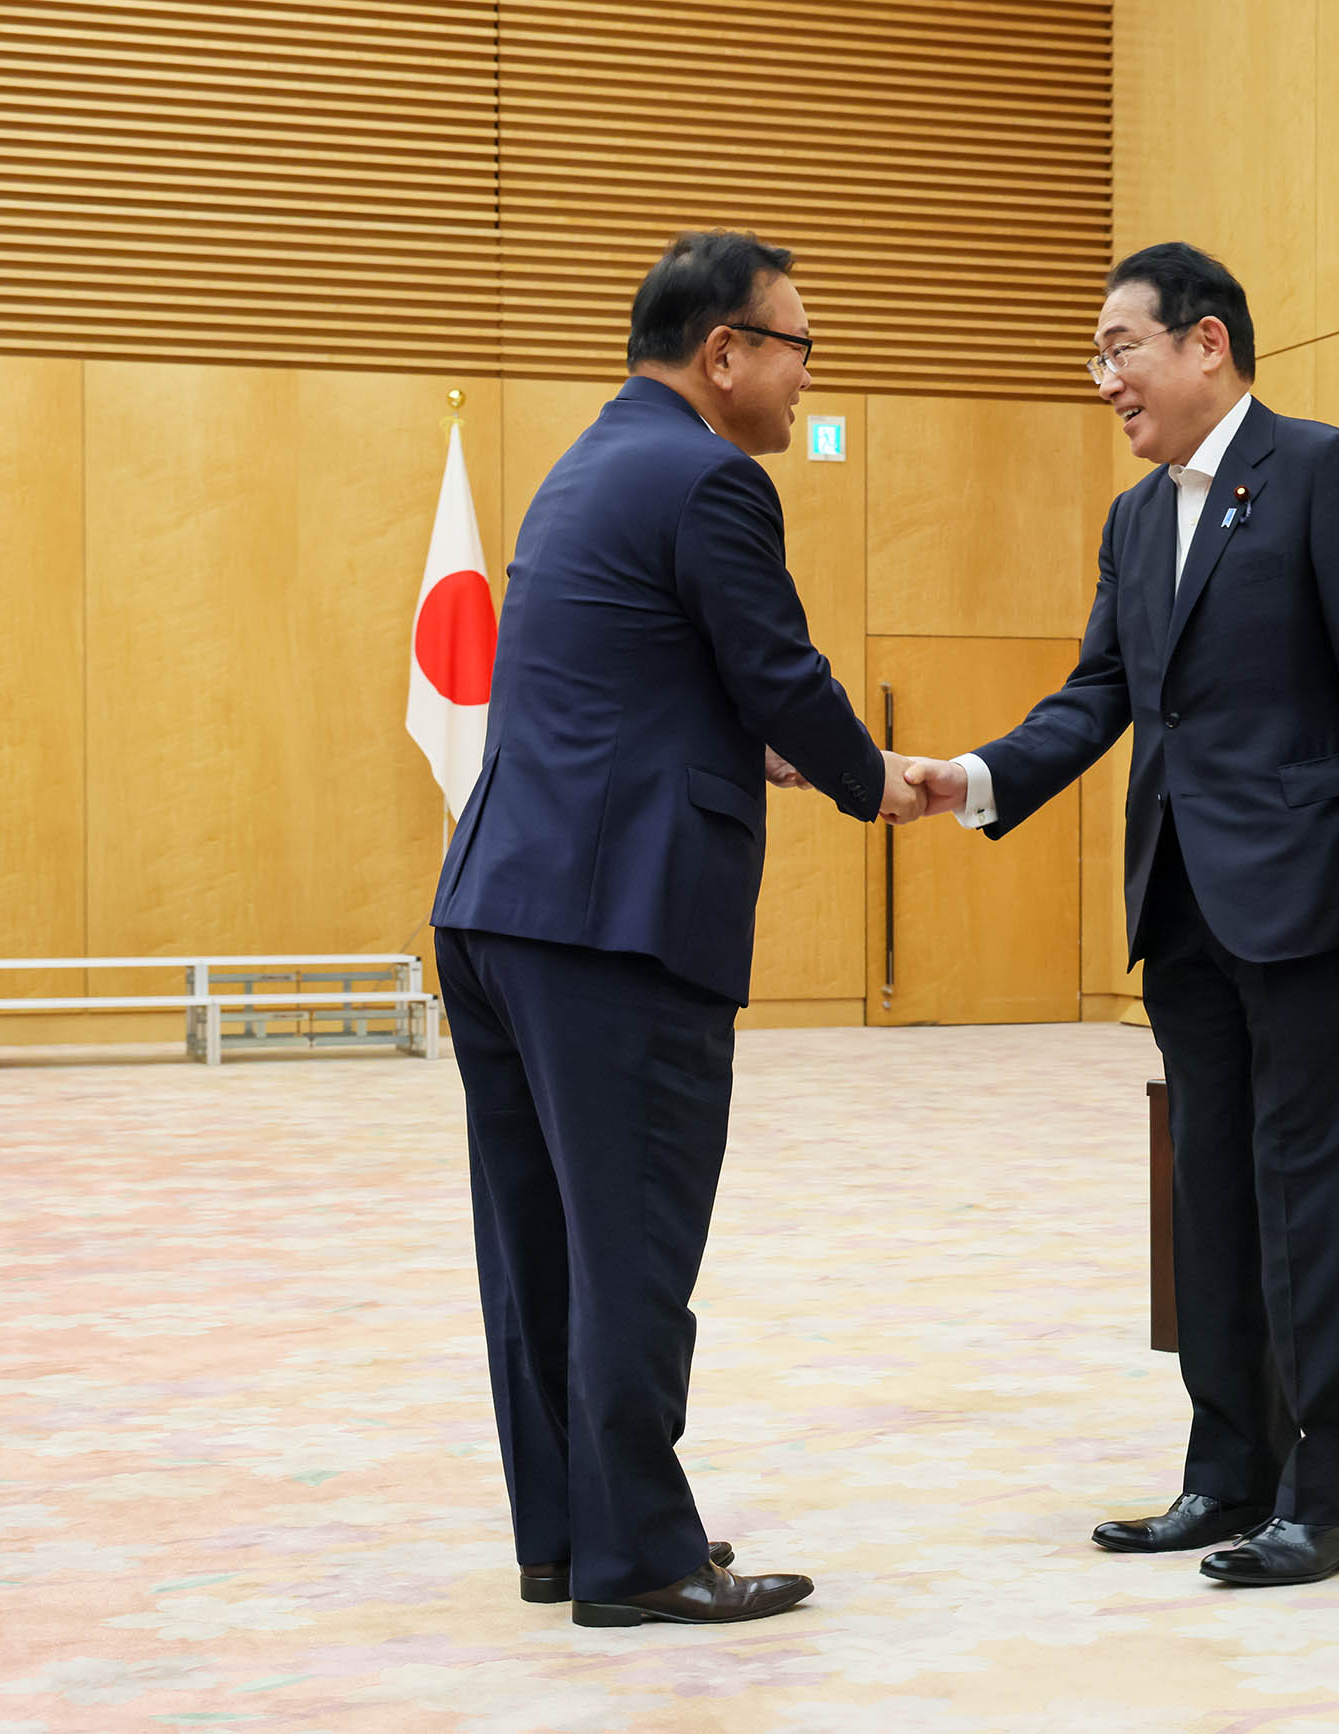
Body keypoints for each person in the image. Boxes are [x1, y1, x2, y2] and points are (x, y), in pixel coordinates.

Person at [898, 242, 1339, 1588]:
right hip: (1188, 907)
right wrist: (968, 778)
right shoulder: (1137, 518)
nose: (1105, 381)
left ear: (1207, 343)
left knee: (1314, 1195)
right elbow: (1098, 697)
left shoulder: (1332, 472)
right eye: (1096, 358)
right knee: (1208, 1193)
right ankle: (1227, 1470)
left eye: (1117, 349)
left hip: (1320, 903)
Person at [430, 230, 923, 1627]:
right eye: (799, 347)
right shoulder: (710, 475)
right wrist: (866, 775)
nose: (805, 375)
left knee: (539, 1250)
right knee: (634, 1241)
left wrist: (739, 737)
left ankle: (567, 1537)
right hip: (614, 923)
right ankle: (643, 1556)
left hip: (501, 906)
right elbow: (778, 663)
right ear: (726, 352)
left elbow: (631, 676)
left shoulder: (592, 460)